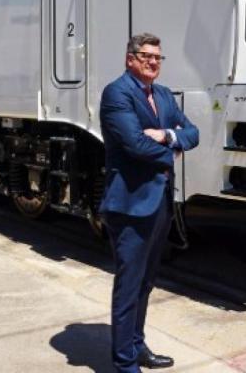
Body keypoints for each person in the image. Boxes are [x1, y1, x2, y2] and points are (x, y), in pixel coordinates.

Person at [99, 33, 199, 372]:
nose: (153, 62)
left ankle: (137, 346)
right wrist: (172, 150)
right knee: (128, 285)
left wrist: (168, 135)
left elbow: (193, 133)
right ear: (130, 59)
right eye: (146, 56)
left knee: (145, 282)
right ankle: (125, 364)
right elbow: (134, 146)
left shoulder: (164, 95)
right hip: (129, 205)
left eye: (157, 57)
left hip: (159, 204)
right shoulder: (117, 93)